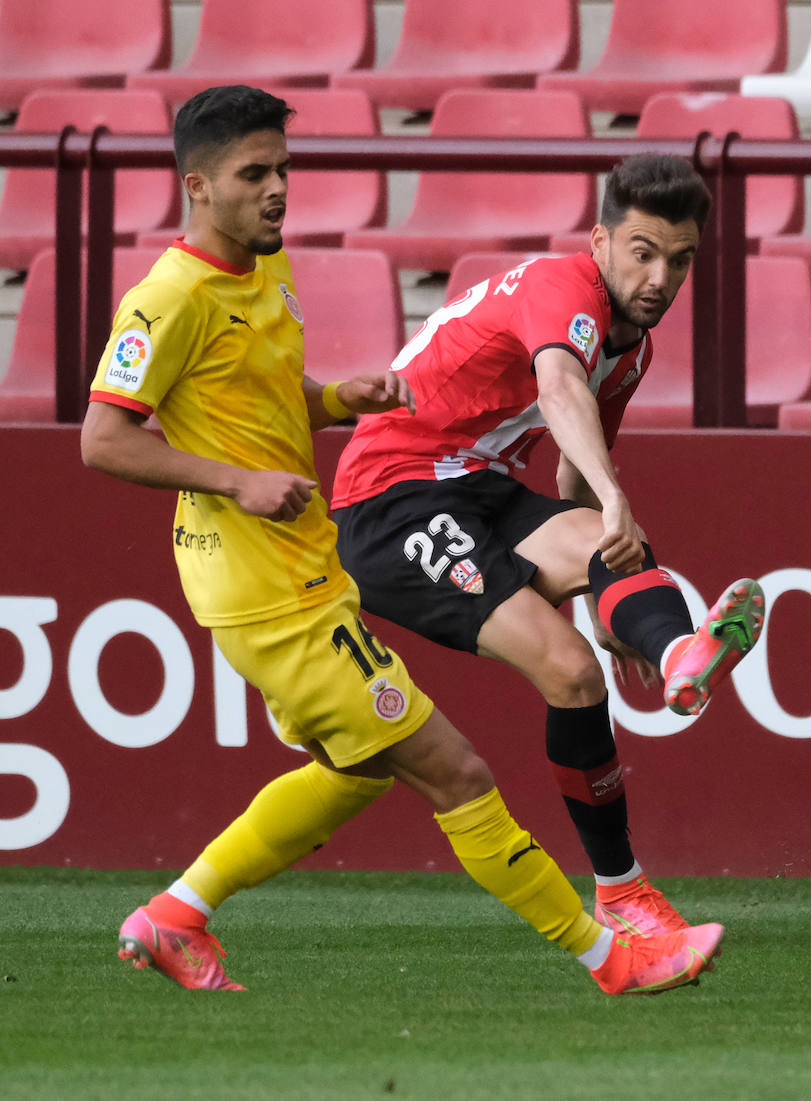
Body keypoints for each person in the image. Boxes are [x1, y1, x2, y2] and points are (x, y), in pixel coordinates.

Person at [81, 84, 722, 995]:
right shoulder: (167, 298)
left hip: (330, 550)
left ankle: (176, 915)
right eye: (254, 174)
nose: (278, 190)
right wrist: (238, 480)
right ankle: (616, 952)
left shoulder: (264, 272)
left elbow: (262, 396)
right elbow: (102, 439)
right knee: (456, 769)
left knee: (353, 771)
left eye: (283, 170)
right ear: (196, 186)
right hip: (287, 574)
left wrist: (340, 399)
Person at [329, 152, 767, 938]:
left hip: (475, 487)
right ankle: (623, 892)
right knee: (570, 669)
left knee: (614, 550)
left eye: (680, 259)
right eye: (642, 252)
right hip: (388, 496)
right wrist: (614, 501)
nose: (661, 276)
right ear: (599, 241)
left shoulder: (632, 346)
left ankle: (676, 660)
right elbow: (560, 388)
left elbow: (574, 462)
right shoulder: (563, 288)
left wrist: (602, 587)